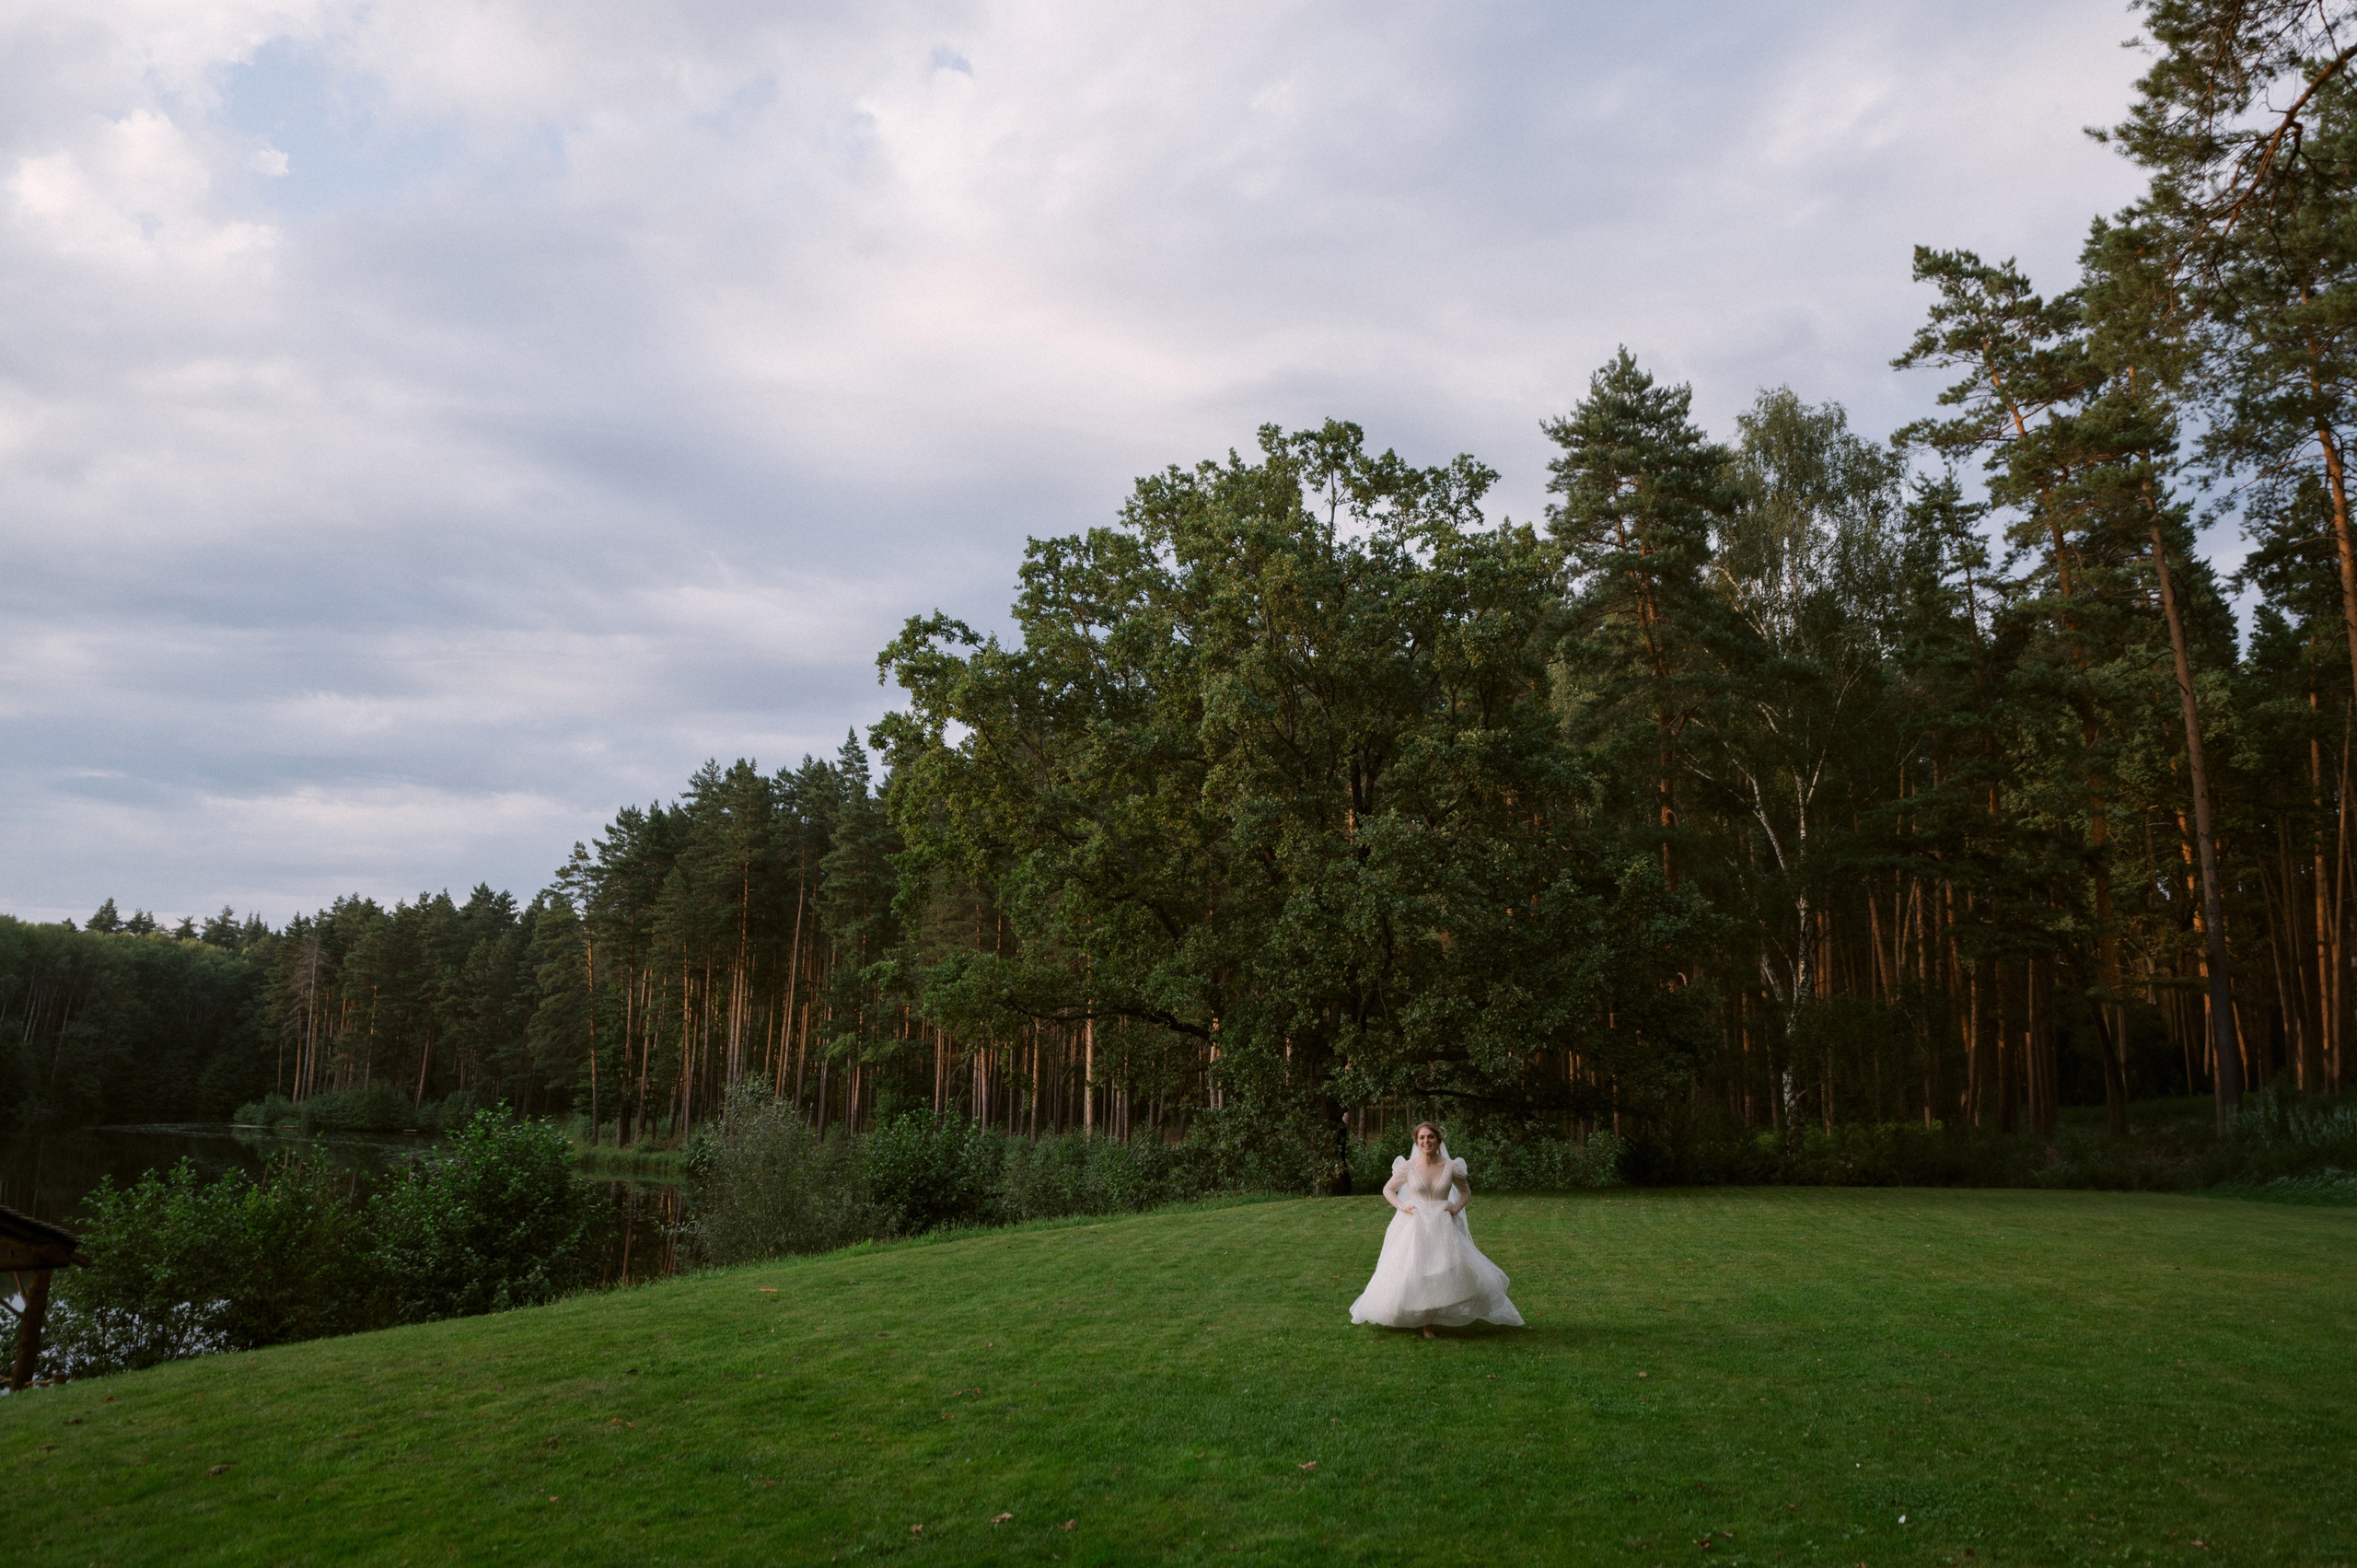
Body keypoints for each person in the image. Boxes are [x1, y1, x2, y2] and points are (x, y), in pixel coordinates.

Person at [1349, 1121, 1524, 1336]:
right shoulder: (1408, 1167)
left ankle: (1428, 1323)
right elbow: (1389, 1189)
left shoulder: (1451, 1167)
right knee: (1410, 1269)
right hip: (1415, 1224)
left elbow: (1465, 1193)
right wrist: (1404, 1207)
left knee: (1439, 1270)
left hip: (1442, 1225)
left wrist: (1455, 1209)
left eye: (1430, 1137)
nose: (1426, 1141)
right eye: (1421, 1138)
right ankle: (1395, 1313)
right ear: (1416, 1142)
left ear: (1438, 1140)